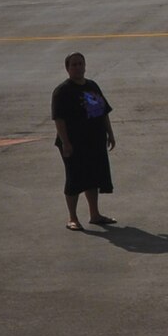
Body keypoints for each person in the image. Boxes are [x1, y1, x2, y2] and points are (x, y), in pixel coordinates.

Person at [51, 53, 115, 230]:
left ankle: (95, 214)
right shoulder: (62, 91)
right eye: (74, 65)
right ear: (67, 68)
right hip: (73, 143)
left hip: (95, 140)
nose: (78, 67)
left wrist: (110, 133)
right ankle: (72, 217)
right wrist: (66, 142)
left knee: (93, 177)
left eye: (80, 64)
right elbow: (59, 119)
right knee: (74, 178)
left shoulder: (92, 86)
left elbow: (103, 112)